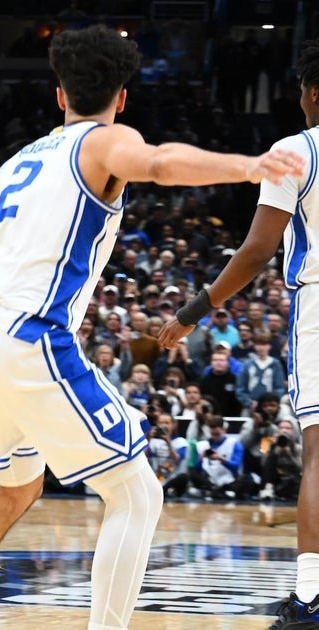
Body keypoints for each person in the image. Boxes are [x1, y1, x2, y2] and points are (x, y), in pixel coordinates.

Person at [0, 25, 304, 630]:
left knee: (15, 489)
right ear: (122, 96)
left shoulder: (15, 163)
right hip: (28, 336)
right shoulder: (104, 141)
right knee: (138, 492)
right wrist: (247, 166)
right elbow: (159, 163)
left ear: (59, 95)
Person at [158, 38, 319, 626]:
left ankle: (311, 598)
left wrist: (192, 312)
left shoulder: (297, 150)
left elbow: (256, 251)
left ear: (313, 91)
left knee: (318, 456)